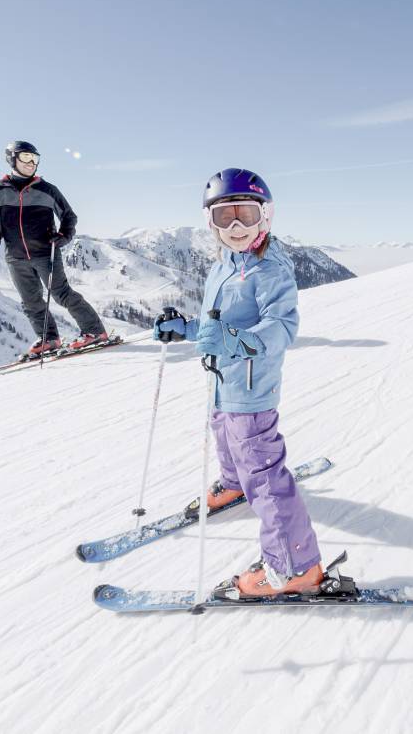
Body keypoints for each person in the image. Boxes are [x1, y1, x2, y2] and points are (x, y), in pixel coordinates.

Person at [152, 168, 323, 600]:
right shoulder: (224, 265)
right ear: (210, 223)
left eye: (244, 215)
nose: (235, 227)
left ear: (265, 217)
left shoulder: (270, 270)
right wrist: (185, 329)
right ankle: (232, 484)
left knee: (264, 476)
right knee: (223, 436)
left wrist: (235, 340)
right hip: (222, 382)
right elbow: (217, 325)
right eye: (223, 217)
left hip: (251, 387)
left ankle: (296, 567)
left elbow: (281, 328)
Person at [0, 140, 108, 355]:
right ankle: (48, 339)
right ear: (12, 159)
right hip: (15, 256)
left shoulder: (47, 190)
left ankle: (94, 331)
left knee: (61, 294)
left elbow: (69, 216)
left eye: (35, 159)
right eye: (26, 158)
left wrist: (64, 236)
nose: (32, 163)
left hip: (45, 253)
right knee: (30, 301)